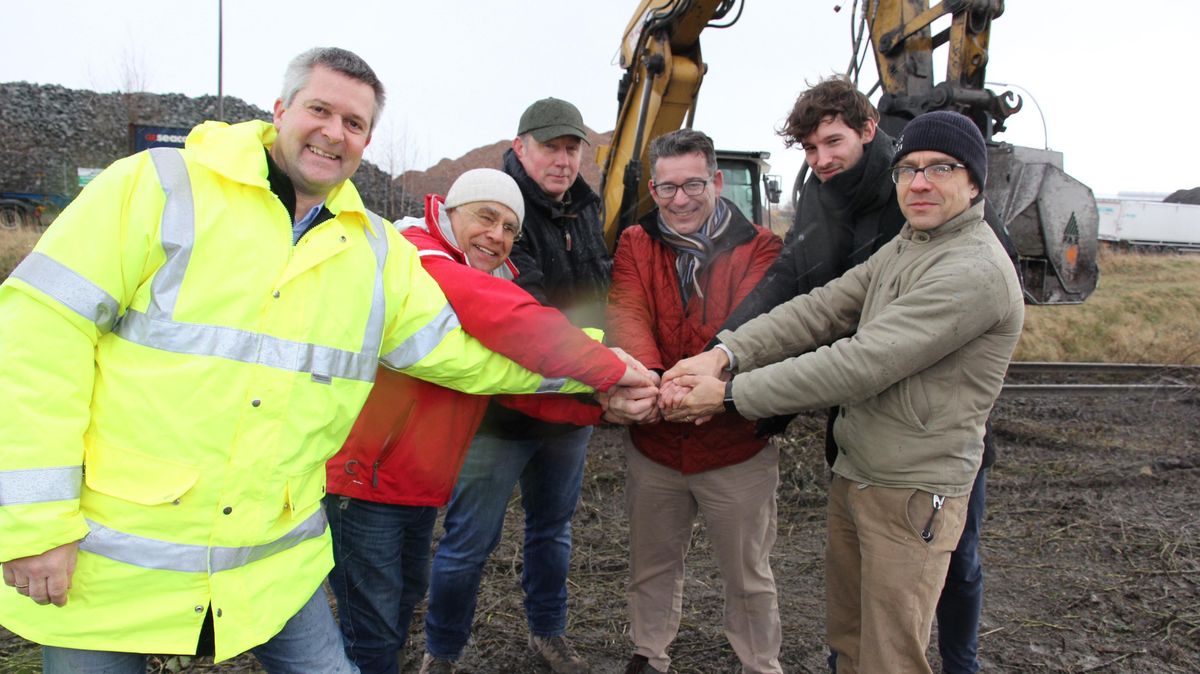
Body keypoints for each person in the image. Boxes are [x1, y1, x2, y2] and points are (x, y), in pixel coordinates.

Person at [0, 48, 601, 674]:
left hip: (269, 567)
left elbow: (458, 352)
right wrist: (37, 526)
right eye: (320, 109)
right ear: (281, 109)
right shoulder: (157, 187)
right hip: (106, 562)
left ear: (367, 141)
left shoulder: (371, 250)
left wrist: (592, 373)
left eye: (354, 123)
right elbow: (38, 340)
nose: (334, 132)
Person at [662, 110, 1025, 674]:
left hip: (911, 491)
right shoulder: (910, 243)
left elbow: (860, 363)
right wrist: (722, 353)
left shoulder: (972, 268)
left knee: (890, 656)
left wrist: (729, 395)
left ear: (974, 180)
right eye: (907, 170)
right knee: (851, 639)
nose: (920, 182)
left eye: (939, 169)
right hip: (860, 472)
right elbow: (822, 307)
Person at [325, 168, 652, 674]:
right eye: (486, 216)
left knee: (401, 605)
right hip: (365, 480)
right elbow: (513, 319)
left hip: (413, 482)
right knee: (372, 632)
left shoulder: (479, 274)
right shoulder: (420, 253)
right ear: (449, 211)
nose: (497, 236)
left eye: (509, 229)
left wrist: (597, 404)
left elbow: (502, 379)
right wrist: (608, 365)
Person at [422, 98, 645, 674]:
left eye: (573, 148)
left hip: (571, 409)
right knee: (469, 542)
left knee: (553, 531)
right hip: (504, 411)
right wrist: (608, 372)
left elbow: (602, 294)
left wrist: (608, 370)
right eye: (551, 146)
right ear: (521, 147)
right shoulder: (501, 211)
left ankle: (549, 634)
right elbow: (522, 314)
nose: (564, 159)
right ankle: (441, 652)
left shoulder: (588, 211)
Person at [605, 129, 782, 674]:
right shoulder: (636, 242)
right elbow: (629, 309)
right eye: (666, 188)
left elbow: (751, 327)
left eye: (692, 185)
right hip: (657, 441)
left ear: (717, 181)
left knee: (748, 572)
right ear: (652, 188)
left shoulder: (761, 247)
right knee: (651, 562)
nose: (679, 200)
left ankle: (759, 662)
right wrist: (654, 380)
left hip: (735, 446)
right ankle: (648, 652)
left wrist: (699, 389)